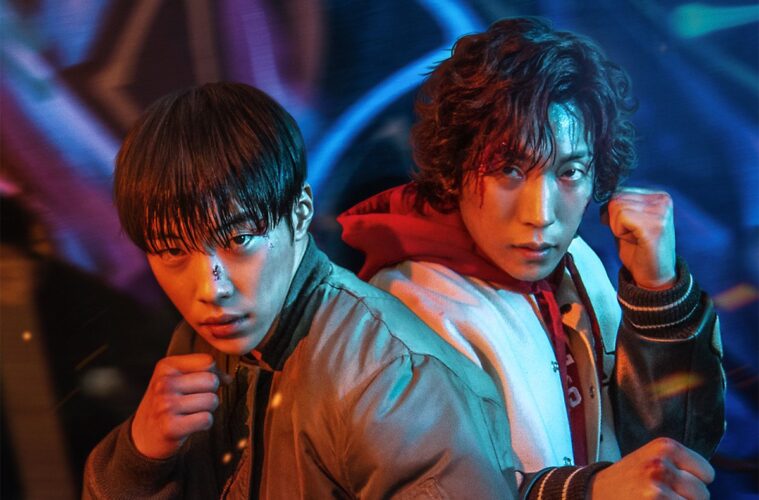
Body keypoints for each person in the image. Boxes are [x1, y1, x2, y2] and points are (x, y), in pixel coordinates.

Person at [339, 17, 725, 499]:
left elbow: (676, 451)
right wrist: (589, 492)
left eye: (570, 171)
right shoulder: (401, 311)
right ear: (455, 168)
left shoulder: (579, 261)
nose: (540, 215)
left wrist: (658, 294)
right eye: (509, 168)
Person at [83, 82, 518, 499]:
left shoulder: (389, 382)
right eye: (172, 250)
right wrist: (139, 460)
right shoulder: (197, 345)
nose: (211, 289)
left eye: (239, 239)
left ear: (300, 213)